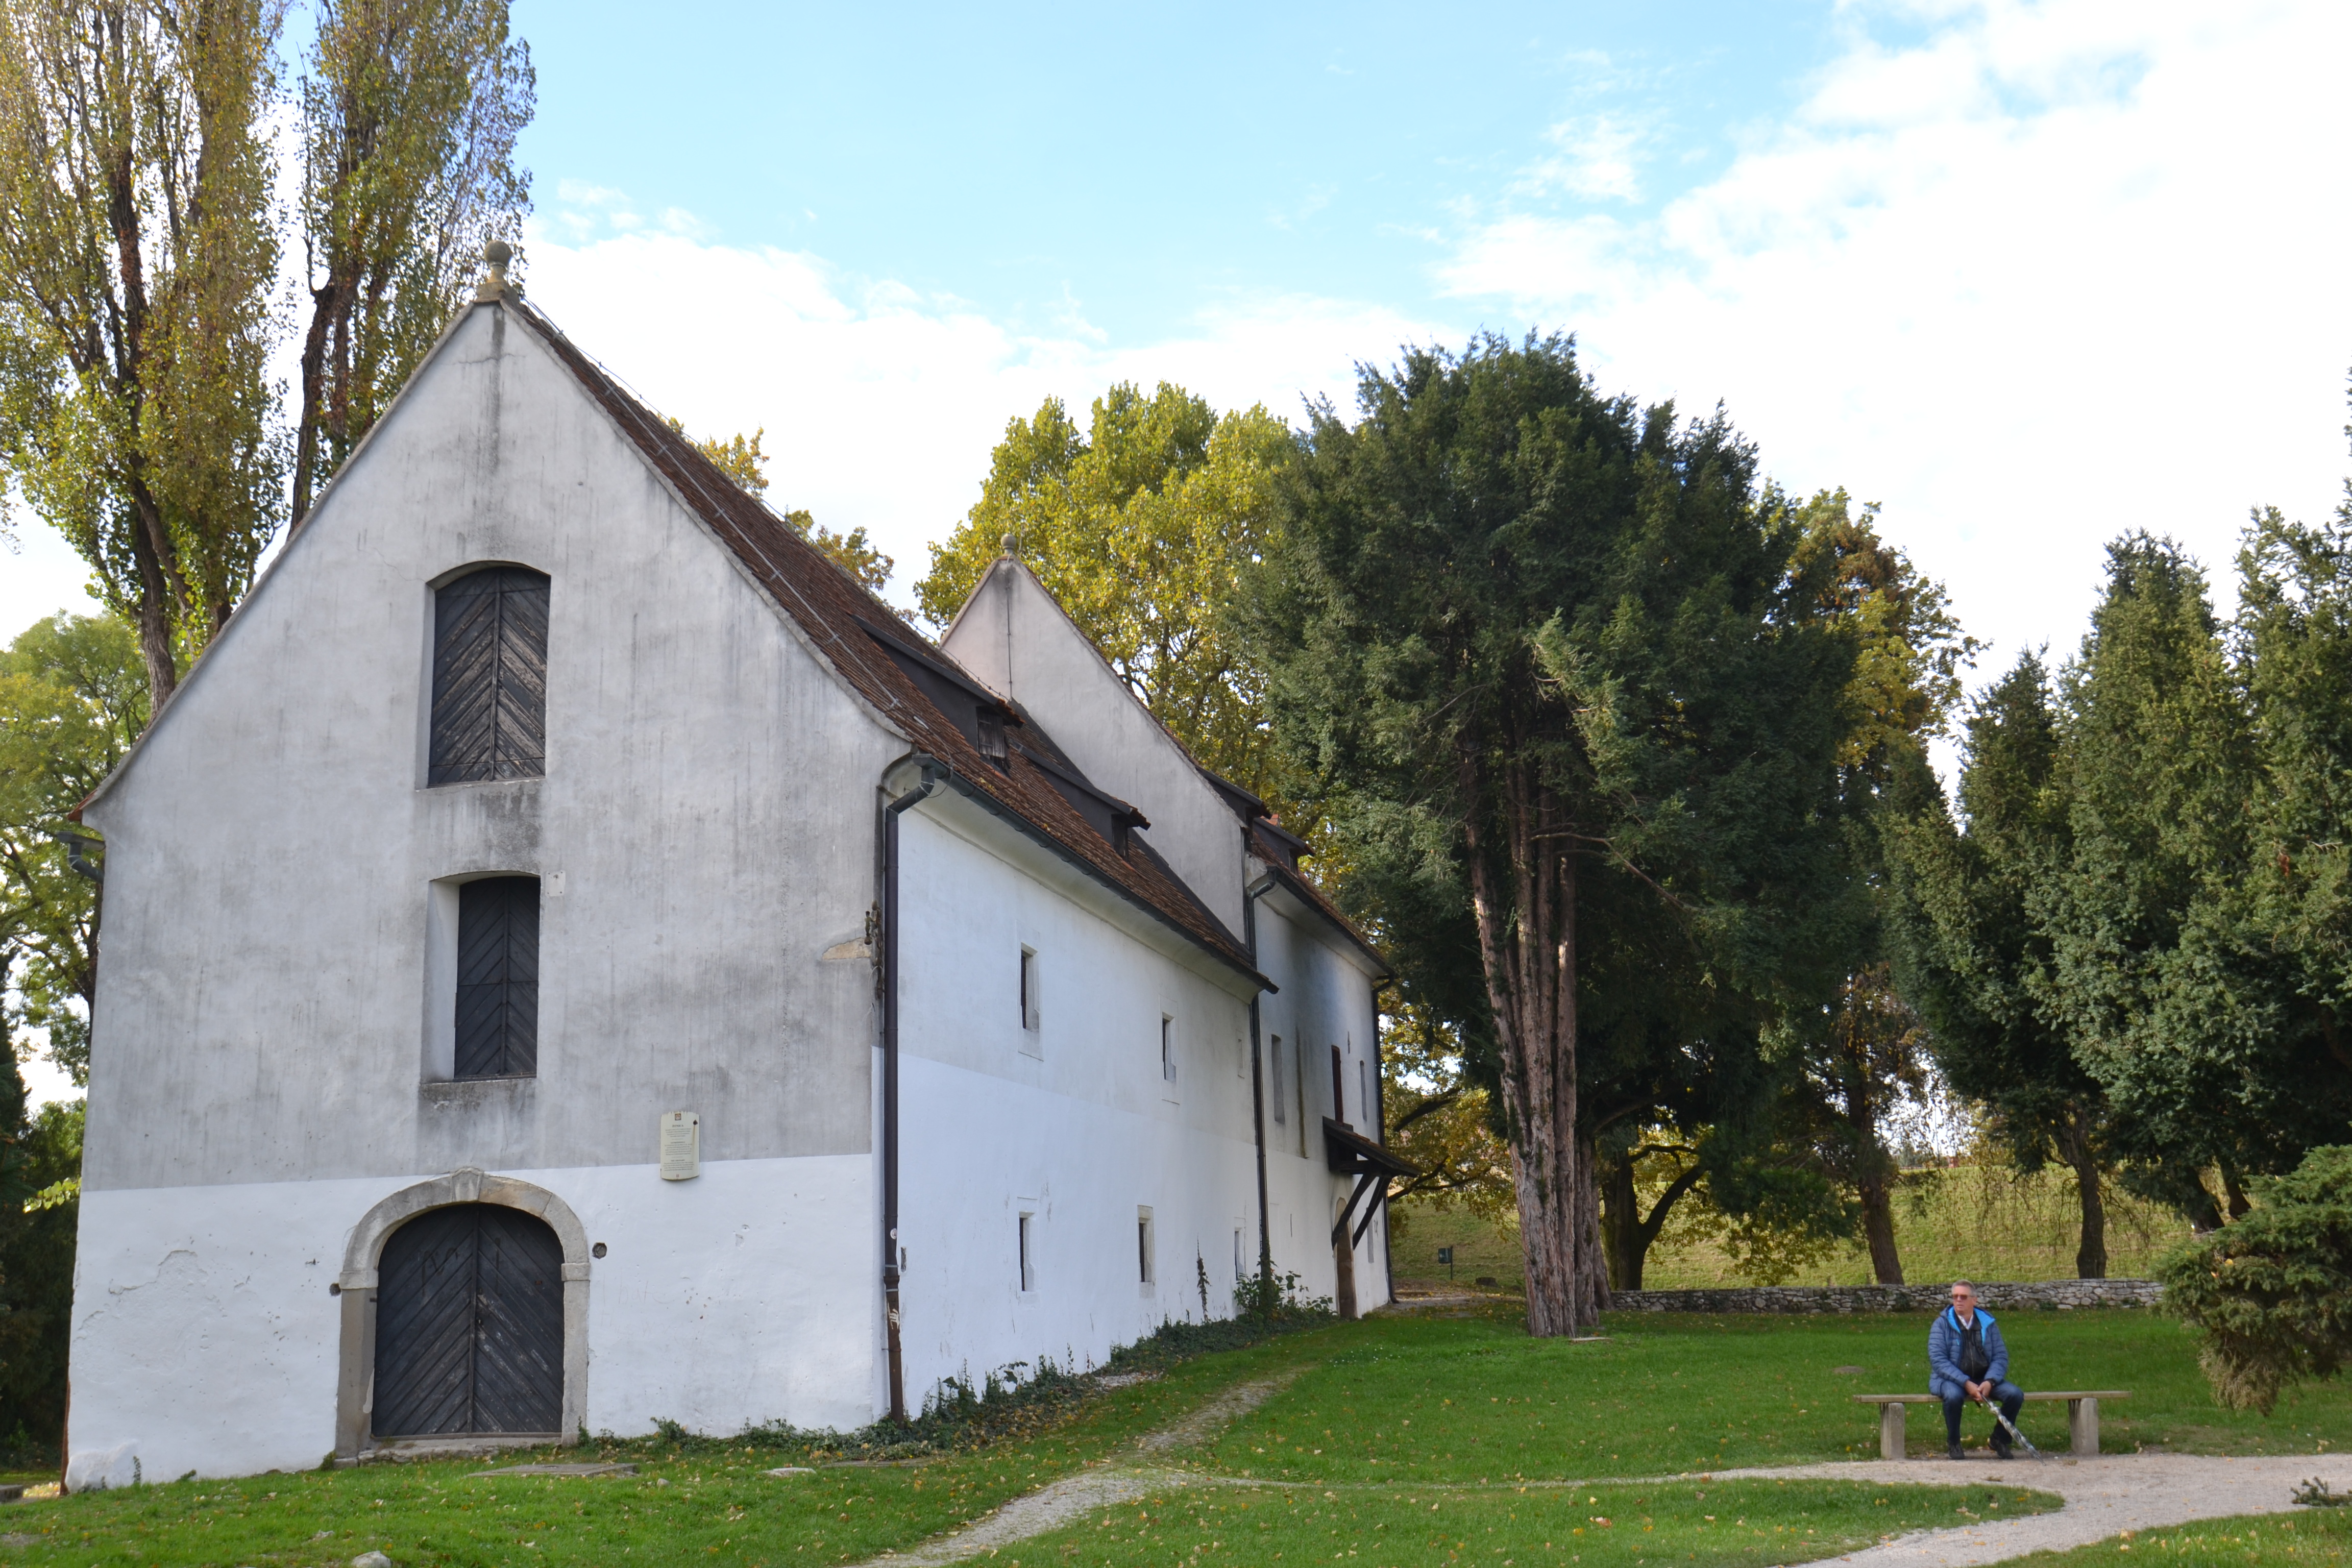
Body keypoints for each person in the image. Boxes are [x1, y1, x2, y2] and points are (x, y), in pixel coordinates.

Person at [1928, 1280, 2024, 1459]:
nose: (1958, 1301)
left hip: (1984, 1378)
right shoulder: (1941, 1325)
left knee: (2015, 1395)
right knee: (1954, 1396)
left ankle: (1999, 1439)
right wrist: (1966, 1383)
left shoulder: (1988, 1324)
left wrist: (1990, 1381)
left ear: (1975, 1300)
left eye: (1963, 1297)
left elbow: (2000, 1356)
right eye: (1955, 1297)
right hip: (1950, 1380)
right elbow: (1939, 1361)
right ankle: (1954, 1442)